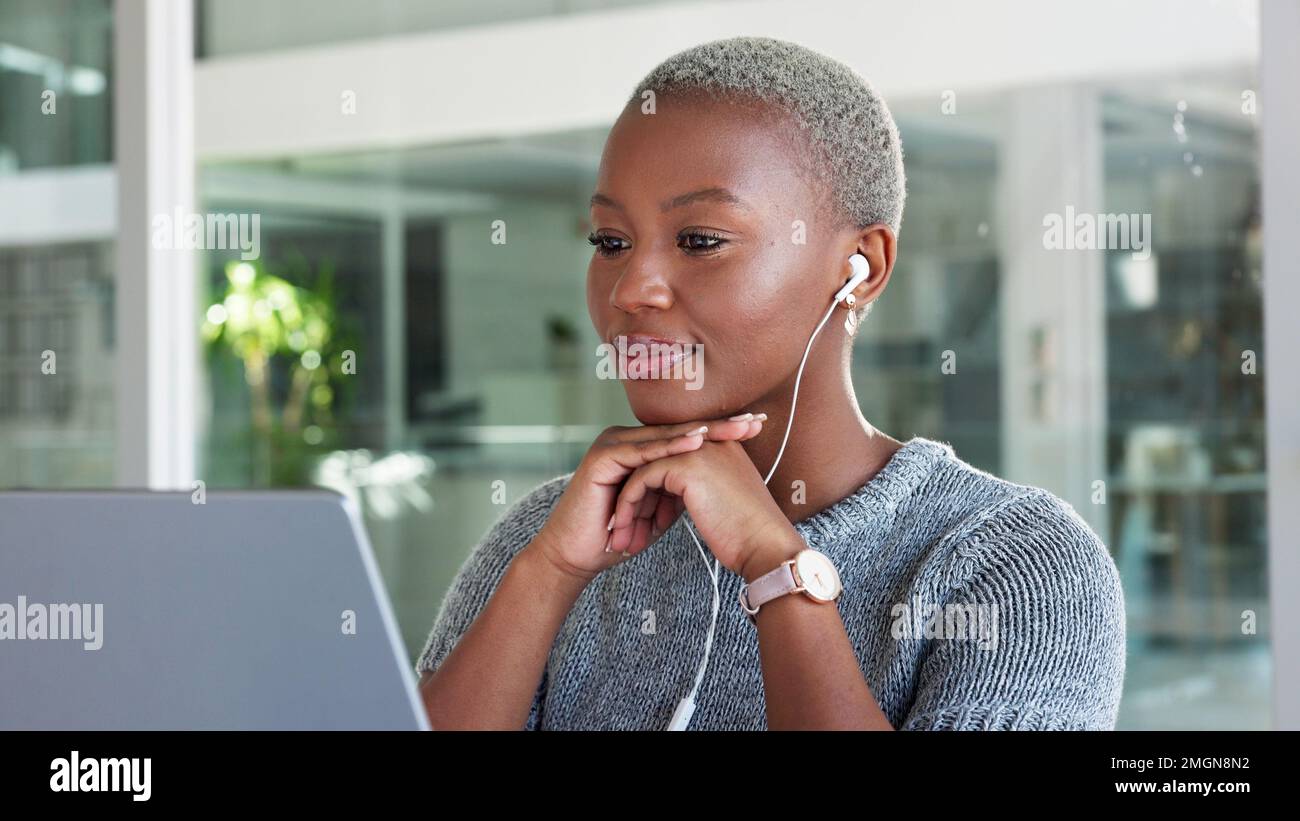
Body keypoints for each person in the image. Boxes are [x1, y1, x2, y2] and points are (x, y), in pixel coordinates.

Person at [415, 35, 1126, 730]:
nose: (632, 288)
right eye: (611, 242)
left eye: (699, 240)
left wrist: (777, 566)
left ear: (860, 266)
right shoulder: (547, 536)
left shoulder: (1018, 563)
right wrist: (547, 575)